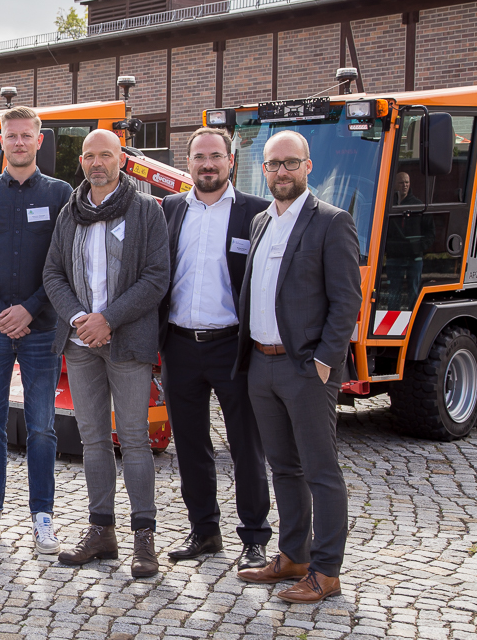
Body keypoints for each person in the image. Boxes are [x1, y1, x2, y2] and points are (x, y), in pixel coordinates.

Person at [234, 130, 361, 602]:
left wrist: (326, 361)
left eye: (291, 163)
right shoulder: (261, 222)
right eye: (273, 164)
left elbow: (346, 300)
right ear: (262, 170)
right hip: (261, 366)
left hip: (306, 368)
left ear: (308, 166)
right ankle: (294, 556)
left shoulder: (332, 222)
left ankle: (326, 571)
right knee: (283, 468)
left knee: (320, 470)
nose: (281, 171)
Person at [42, 129, 170, 578]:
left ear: (122, 160)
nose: (98, 163)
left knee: (134, 440)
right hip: (80, 345)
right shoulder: (69, 212)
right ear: (82, 162)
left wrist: (108, 319)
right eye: (91, 156)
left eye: (107, 155)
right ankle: (102, 531)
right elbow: (53, 273)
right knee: (93, 440)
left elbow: (156, 277)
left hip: (127, 343)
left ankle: (143, 538)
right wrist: (80, 318)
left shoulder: (145, 212)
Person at [0, 106, 69, 553]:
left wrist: (30, 309)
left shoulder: (61, 195)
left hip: (42, 329)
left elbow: (63, 262)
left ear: (39, 141)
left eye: (27, 136)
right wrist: (4, 311)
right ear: (1, 141)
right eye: (12, 136)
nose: (19, 142)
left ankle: (43, 517)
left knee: (42, 426)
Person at [160, 128, 271, 570]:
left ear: (230, 161)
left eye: (215, 157)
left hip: (233, 346)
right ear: (187, 162)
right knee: (190, 445)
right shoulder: (170, 209)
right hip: (179, 345)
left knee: (247, 444)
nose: (207, 164)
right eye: (199, 157)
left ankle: (255, 537)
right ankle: (204, 531)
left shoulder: (256, 213)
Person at [384, 171, 434, 310]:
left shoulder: (418, 206)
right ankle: (391, 320)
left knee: (413, 291)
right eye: (401, 182)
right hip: (394, 257)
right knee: (394, 291)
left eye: (407, 182)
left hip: (414, 258)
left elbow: (430, 232)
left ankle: (413, 320)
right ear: (394, 185)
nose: (404, 185)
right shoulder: (387, 206)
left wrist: (419, 247)